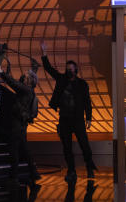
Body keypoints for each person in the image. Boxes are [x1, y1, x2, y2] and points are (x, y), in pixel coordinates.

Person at [40, 41, 96, 180]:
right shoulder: (61, 79)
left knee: (84, 145)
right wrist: (44, 52)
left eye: (71, 69)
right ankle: (71, 171)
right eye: (67, 69)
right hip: (64, 119)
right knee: (67, 148)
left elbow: (87, 101)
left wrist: (88, 117)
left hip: (78, 120)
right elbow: (48, 68)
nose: (69, 71)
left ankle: (90, 169)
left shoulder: (82, 84)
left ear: (76, 70)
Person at [0, 58, 39, 183]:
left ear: (29, 81)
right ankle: (33, 172)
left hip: (17, 123)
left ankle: (14, 175)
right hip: (21, 123)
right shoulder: (29, 90)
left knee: (14, 149)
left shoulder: (25, 90)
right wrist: (35, 66)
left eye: (24, 77)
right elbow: (17, 82)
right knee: (23, 148)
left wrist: (1, 73)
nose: (22, 78)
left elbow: (14, 83)